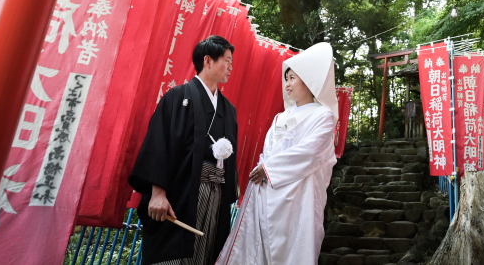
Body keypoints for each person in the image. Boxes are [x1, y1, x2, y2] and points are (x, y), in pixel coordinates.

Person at [215, 42, 338, 265]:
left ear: (308, 80)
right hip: (267, 191)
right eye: (286, 79)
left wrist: (269, 169)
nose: (287, 84)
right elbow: (268, 151)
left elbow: (310, 153)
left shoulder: (323, 116)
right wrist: (264, 169)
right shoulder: (280, 117)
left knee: (294, 248)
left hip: (300, 194)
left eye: (292, 78)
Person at [129, 35, 239, 265]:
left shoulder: (228, 110)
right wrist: (158, 193)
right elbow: (158, 145)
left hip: (215, 196)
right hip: (180, 192)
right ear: (207, 61)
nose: (231, 66)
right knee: (173, 254)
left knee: (205, 253)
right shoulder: (177, 97)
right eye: (227, 60)